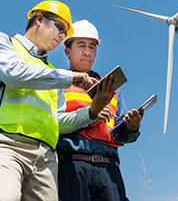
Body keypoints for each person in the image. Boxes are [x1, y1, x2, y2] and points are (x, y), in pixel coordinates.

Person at [0, 0, 115, 201]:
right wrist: (71, 77)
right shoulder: (3, 43)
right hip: (5, 145)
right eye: (60, 27)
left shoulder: (51, 74)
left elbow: (58, 122)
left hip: (45, 159)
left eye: (65, 33)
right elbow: (14, 74)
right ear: (39, 19)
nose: (62, 36)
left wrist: (91, 112)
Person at [56, 20, 144, 201]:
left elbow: (121, 135)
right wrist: (91, 114)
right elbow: (51, 124)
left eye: (92, 47)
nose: (87, 51)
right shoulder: (57, 84)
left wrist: (131, 128)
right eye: (81, 45)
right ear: (67, 51)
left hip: (109, 169)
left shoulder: (111, 88)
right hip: (71, 167)